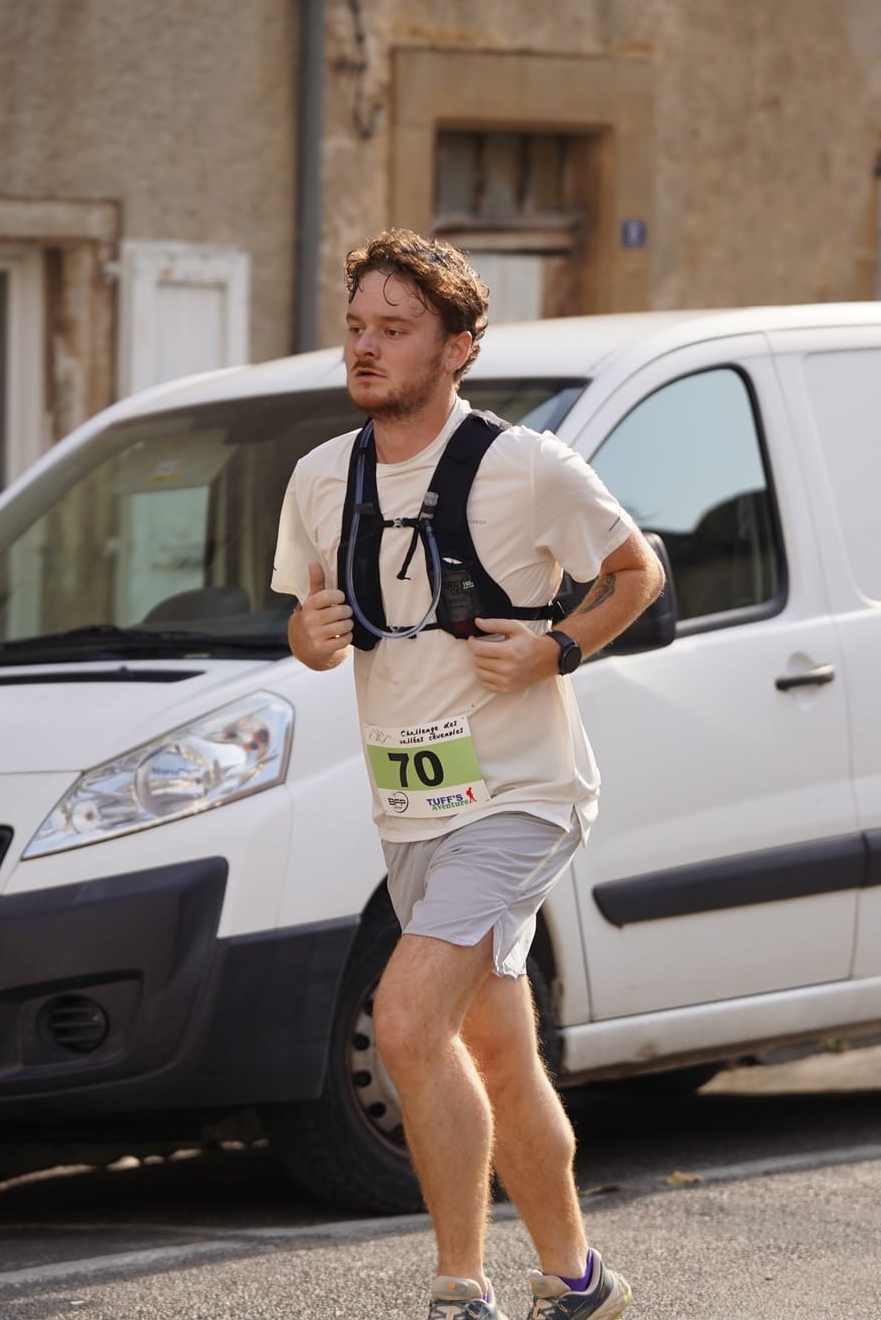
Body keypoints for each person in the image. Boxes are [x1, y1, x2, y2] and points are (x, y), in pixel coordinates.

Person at [272, 228, 659, 1320]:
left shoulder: (524, 467)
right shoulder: (317, 480)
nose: (366, 347)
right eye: (355, 326)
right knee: (495, 1046)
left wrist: (557, 647)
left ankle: (460, 1290)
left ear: (458, 347)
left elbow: (637, 570)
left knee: (404, 1022)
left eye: (394, 329)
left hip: (522, 795)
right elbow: (307, 635)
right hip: (409, 804)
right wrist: (308, 633)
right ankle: (579, 1280)